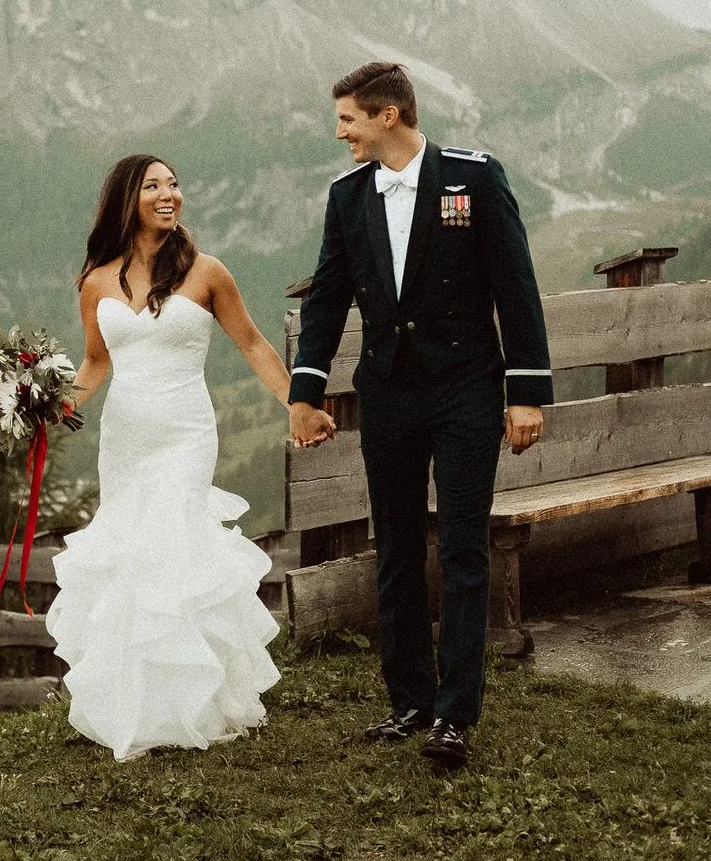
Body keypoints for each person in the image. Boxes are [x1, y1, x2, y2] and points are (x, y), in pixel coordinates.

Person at [288, 63, 552, 768]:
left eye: (347, 118)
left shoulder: (474, 177)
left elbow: (515, 284)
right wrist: (304, 391)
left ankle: (454, 715)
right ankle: (409, 701)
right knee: (397, 547)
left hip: (467, 389)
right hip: (389, 393)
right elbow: (327, 298)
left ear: (387, 117)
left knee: (463, 547)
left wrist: (526, 392)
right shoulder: (347, 197)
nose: (339, 131)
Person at [46, 154, 289, 762]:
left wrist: (298, 404)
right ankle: (140, 703)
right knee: (133, 555)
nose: (169, 194)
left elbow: (254, 343)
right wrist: (54, 407)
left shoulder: (207, 272)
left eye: (174, 184)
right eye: (154, 185)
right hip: (125, 438)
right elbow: (97, 362)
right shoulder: (96, 281)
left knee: (173, 547)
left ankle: (200, 703)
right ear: (126, 199)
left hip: (185, 433)